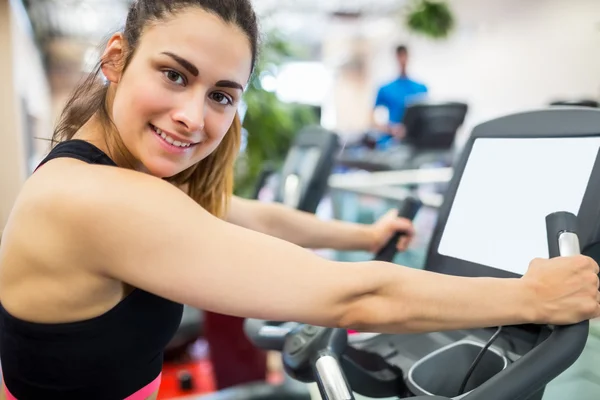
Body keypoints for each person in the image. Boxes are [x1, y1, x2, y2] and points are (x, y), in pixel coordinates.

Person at [0, 1, 598, 399]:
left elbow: (246, 214)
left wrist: (362, 235)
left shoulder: (101, 173)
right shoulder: (95, 200)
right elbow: (356, 299)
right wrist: (533, 296)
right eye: (174, 75)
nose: (191, 116)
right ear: (116, 60)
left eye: (222, 96)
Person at [372, 45, 428, 142]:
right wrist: (390, 129)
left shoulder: (421, 88)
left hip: (414, 140)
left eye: (404, 55)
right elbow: (371, 117)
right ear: (396, 58)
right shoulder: (385, 89)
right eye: (400, 56)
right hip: (392, 141)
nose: (402, 59)